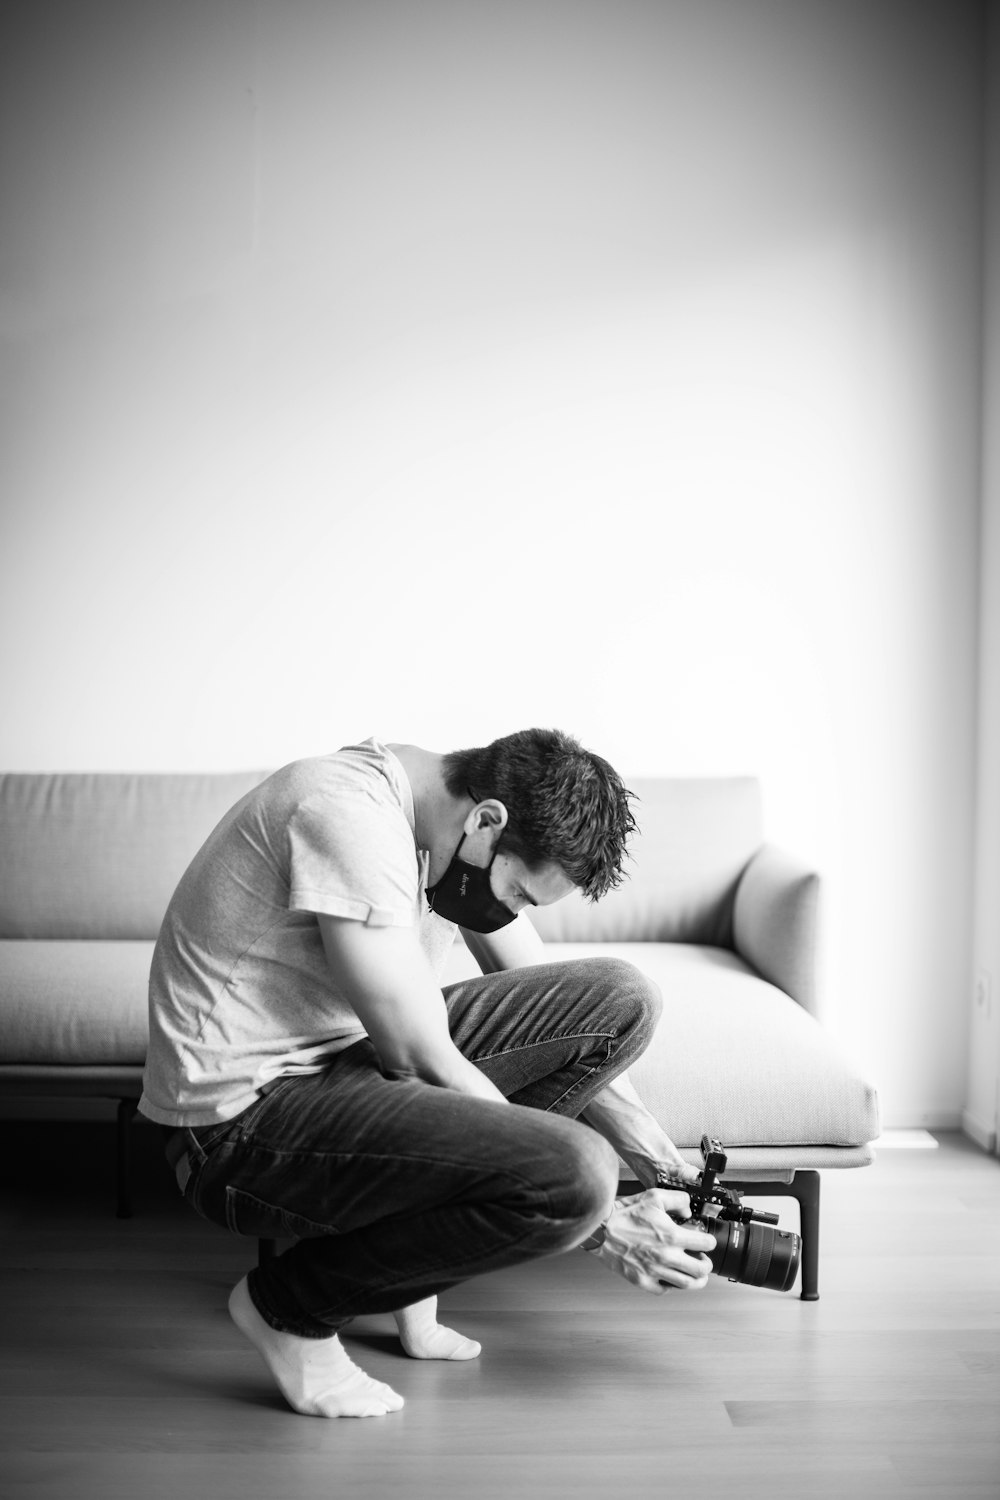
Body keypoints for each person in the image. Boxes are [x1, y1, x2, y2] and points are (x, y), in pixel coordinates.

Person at [139, 730, 716, 1418]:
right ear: (487, 820)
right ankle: (287, 1309)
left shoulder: (446, 833)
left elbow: (547, 994)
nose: (511, 915)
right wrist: (599, 1218)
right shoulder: (348, 813)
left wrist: (657, 1159)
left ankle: (405, 1271)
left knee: (622, 999)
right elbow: (417, 1055)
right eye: (520, 895)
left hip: (341, 1072)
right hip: (234, 1131)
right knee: (578, 1176)